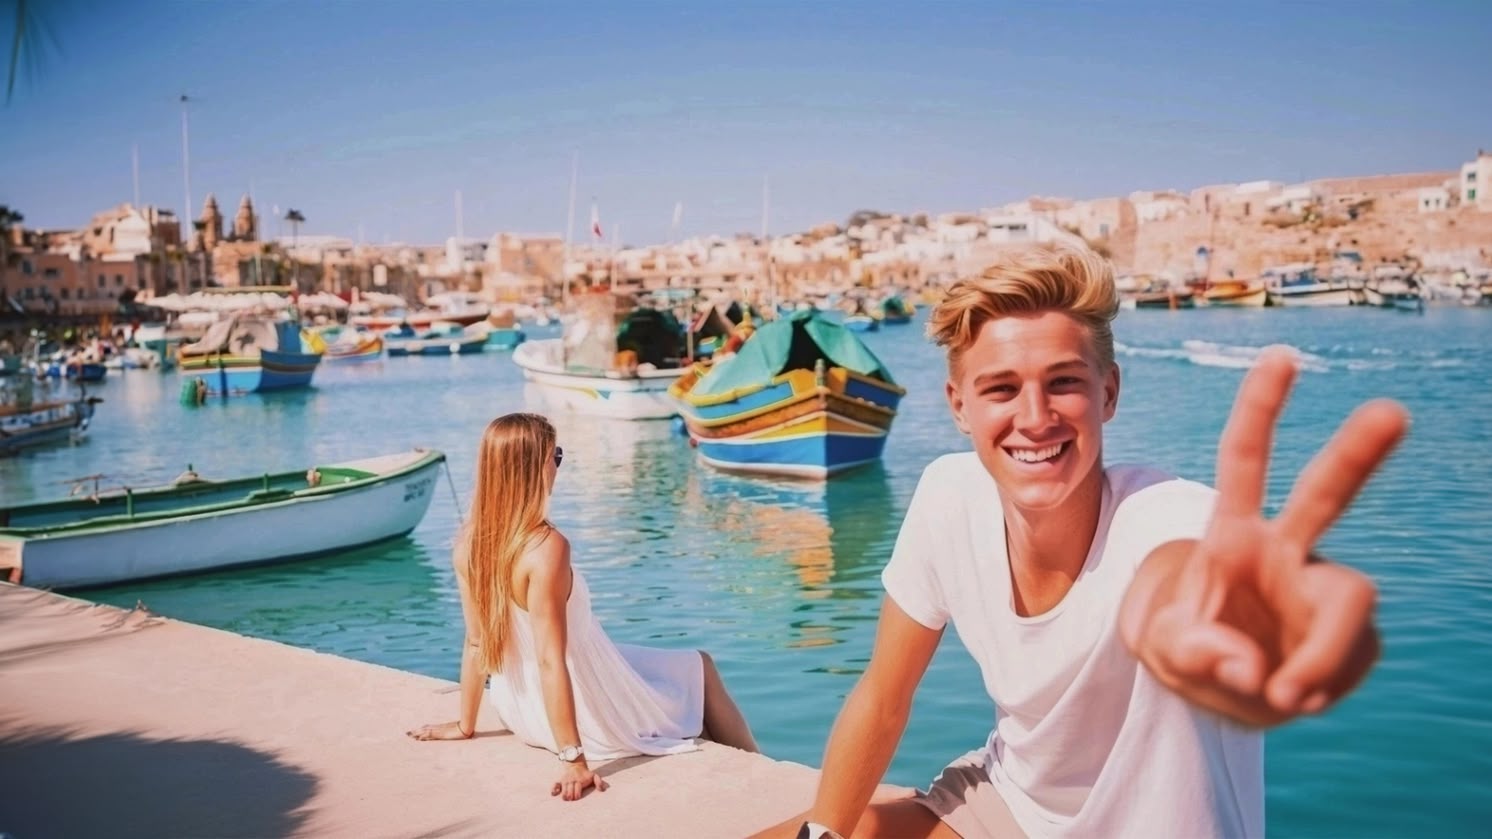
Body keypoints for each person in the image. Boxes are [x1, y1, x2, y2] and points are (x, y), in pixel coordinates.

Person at [757, 243, 1406, 838]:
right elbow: (883, 695)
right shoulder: (947, 498)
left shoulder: (1170, 521)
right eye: (1002, 388)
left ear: (1109, 392)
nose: (1035, 418)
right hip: (1007, 806)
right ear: (959, 405)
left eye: (1063, 381)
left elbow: (1201, 582)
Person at [408, 412, 759, 801]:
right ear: (532, 469)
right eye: (554, 456)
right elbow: (550, 660)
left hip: (518, 704)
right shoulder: (545, 549)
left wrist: (465, 723)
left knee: (679, 676)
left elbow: (476, 643)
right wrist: (572, 758)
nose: (558, 466)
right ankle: (762, 774)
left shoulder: (468, 543)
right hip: (584, 708)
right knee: (701, 667)